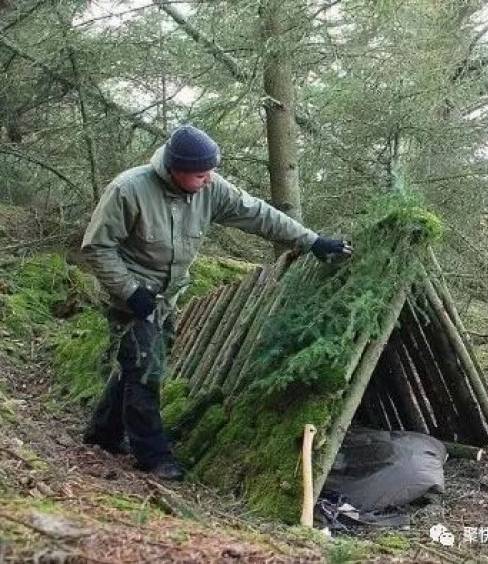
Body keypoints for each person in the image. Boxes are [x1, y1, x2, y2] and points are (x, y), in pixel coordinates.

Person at [81, 124, 352, 480]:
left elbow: (258, 214)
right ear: (175, 170)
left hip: (165, 297)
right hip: (129, 296)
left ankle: (102, 432)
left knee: (139, 362)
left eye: (210, 172)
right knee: (147, 369)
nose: (209, 179)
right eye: (200, 174)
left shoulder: (209, 188)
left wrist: (312, 241)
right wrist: (130, 292)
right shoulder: (128, 189)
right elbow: (97, 248)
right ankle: (153, 456)